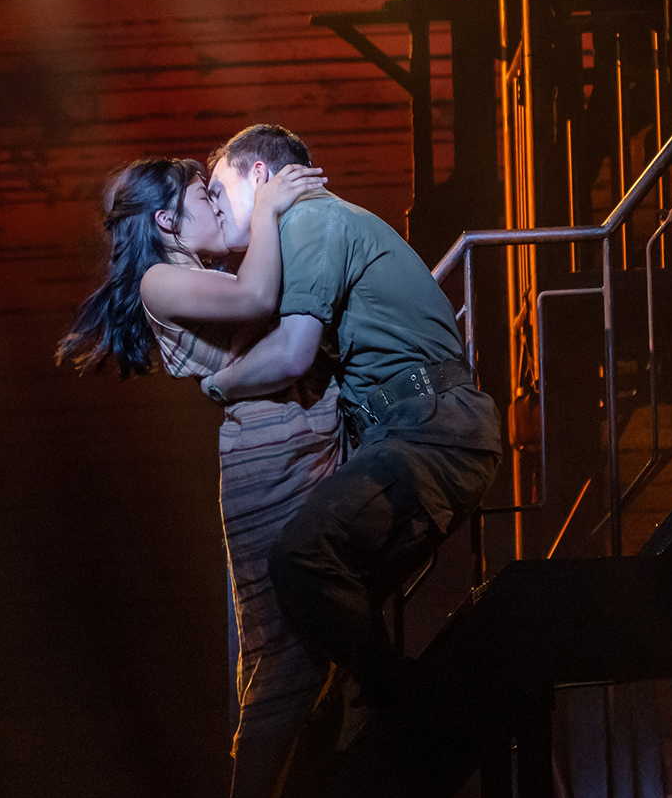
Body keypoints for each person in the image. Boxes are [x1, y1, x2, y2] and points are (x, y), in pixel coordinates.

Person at [54, 154, 338, 798]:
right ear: (165, 220)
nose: (220, 205)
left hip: (294, 443)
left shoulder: (191, 270)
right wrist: (271, 207)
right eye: (202, 197)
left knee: (308, 638)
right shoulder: (159, 279)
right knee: (282, 645)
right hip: (264, 461)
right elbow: (256, 296)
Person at [197, 124, 504, 732]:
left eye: (216, 190)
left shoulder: (309, 220)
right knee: (310, 600)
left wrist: (218, 386)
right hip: (414, 428)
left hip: (430, 430)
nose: (210, 206)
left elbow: (292, 353)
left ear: (261, 176)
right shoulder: (296, 236)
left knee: (301, 556)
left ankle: (402, 704)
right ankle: (341, 731)